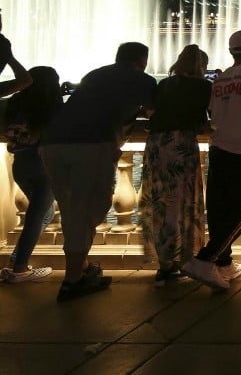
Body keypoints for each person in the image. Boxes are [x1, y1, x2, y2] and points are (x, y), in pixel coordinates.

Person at [39, 42, 156, 301]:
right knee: (93, 205)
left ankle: (80, 268)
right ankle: (72, 280)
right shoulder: (142, 79)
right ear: (142, 60)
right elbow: (155, 114)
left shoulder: (95, 74)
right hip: (91, 145)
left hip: (52, 144)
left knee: (72, 210)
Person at [182, 30, 241, 291]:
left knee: (221, 207)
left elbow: (213, 112)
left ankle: (223, 262)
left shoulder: (220, 79)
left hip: (218, 147)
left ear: (232, 52)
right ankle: (205, 259)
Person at [139, 44, 212, 286]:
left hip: (156, 144)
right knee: (181, 204)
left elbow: (152, 112)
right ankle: (177, 262)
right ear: (201, 66)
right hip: (180, 145)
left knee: (160, 203)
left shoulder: (165, 84)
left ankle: (165, 262)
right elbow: (203, 122)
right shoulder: (203, 87)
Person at [2, 60, 51, 283]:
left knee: (45, 213)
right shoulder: (48, 107)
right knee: (36, 215)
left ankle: (15, 262)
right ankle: (20, 269)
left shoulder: (13, 105)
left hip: (20, 163)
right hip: (42, 165)